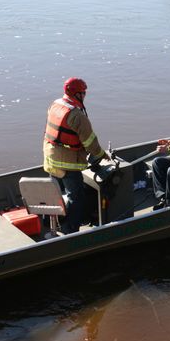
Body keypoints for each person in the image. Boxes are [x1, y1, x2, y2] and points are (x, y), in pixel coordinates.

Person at [43, 77, 109, 233]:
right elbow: (90, 142)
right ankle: (71, 230)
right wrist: (102, 154)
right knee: (76, 197)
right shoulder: (77, 115)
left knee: (56, 195)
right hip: (67, 164)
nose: (85, 95)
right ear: (78, 94)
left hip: (50, 158)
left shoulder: (55, 105)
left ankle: (52, 223)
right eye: (84, 92)